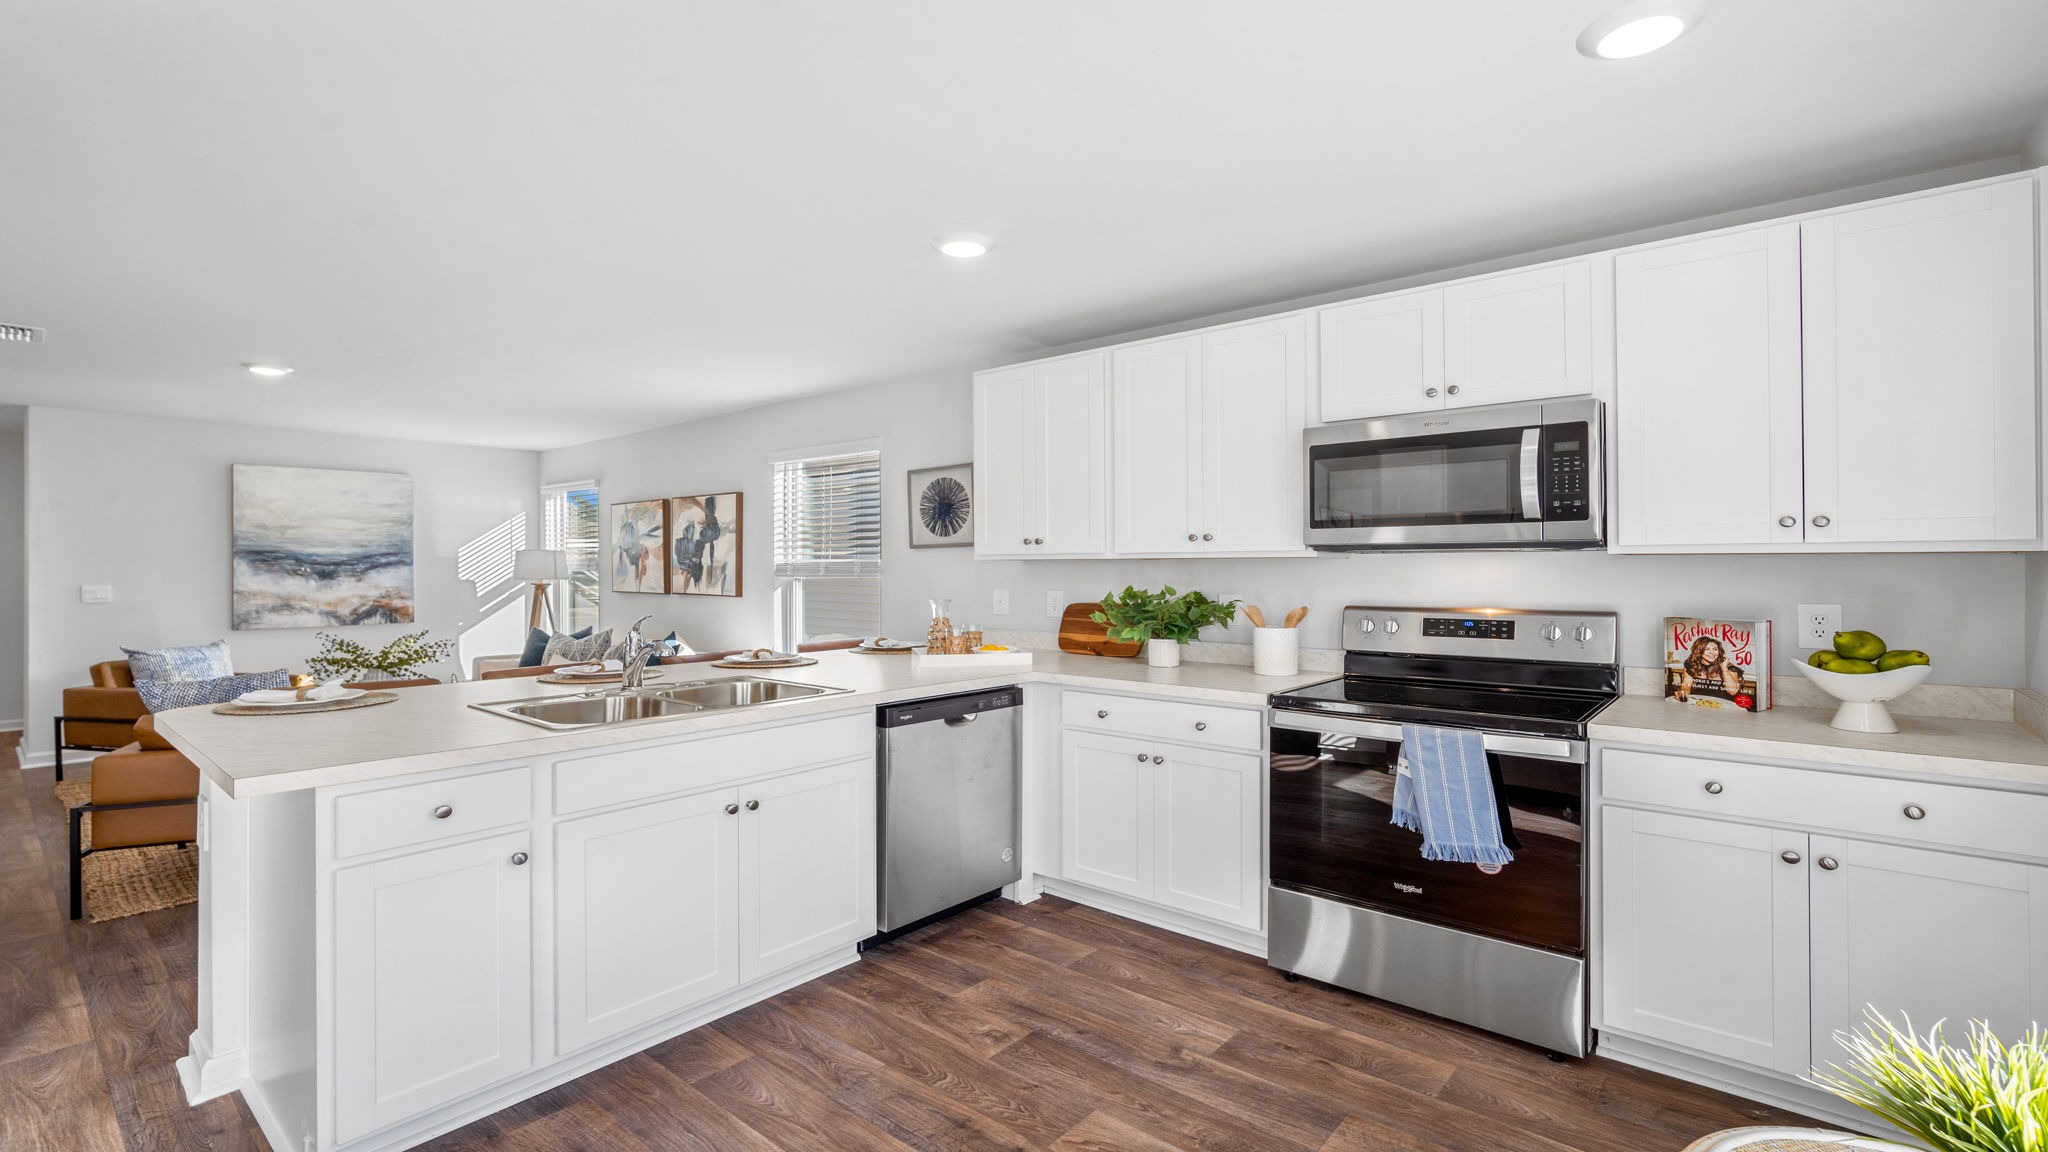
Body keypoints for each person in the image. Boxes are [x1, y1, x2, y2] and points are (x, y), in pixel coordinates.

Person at [1674, 636, 1743, 703]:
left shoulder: (1729, 667)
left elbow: (1733, 691)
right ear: (1698, 651)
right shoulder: (1692, 665)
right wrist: (1682, 693)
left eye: (1715, 649)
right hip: (1698, 703)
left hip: (1723, 706)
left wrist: (1724, 668)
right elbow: (1686, 686)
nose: (1712, 652)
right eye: (1707, 649)